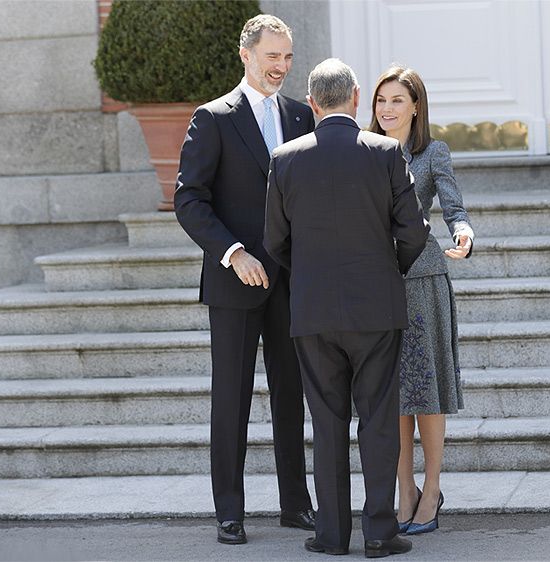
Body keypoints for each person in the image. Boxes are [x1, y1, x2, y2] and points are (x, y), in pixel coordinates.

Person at [264, 58, 429, 557]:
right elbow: (415, 232)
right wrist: (387, 269)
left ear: (312, 102)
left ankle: (331, 535)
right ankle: (380, 533)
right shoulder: (384, 151)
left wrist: (312, 275)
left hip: (312, 310)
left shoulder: (284, 158)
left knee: (327, 422)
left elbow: (274, 241)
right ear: (356, 97)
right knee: (378, 420)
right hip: (376, 308)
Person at [174, 14, 316, 545]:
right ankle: (229, 512)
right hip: (235, 282)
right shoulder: (213, 118)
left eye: (287, 57)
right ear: (246, 56)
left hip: (293, 282)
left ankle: (295, 505)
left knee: (291, 393)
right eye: (271, 56)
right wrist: (232, 253)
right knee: (231, 398)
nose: (280, 66)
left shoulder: (303, 117)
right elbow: (188, 198)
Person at [369, 66, 474, 535]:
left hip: (424, 280)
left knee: (426, 391)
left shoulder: (433, 153)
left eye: (396, 100)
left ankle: (432, 488)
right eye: (380, 101)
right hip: (375, 282)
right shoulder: (363, 150)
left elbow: (453, 207)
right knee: (391, 394)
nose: (387, 109)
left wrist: (464, 232)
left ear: (416, 106)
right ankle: (403, 489)